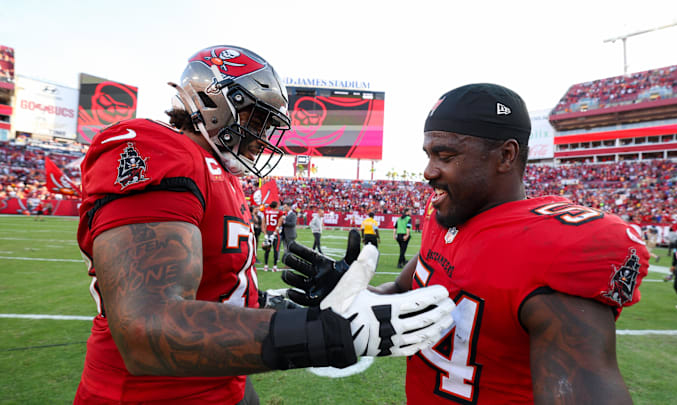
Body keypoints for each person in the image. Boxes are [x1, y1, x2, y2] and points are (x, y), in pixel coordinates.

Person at [73, 45, 455, 405]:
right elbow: (147, 328)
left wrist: (304, 303)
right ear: (213, 102)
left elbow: (219, 295)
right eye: (257, 118)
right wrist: (323, 332)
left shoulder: (221, 173)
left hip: (224, 384)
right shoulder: (156, 149)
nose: (263, 137)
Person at [281, 83, 650, 404]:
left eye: (446, 155)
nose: (428, 171)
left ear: (506, 156)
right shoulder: (447, 213)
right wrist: (354, 294)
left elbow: (584, 387)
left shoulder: (550, 248)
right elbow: (403, 290)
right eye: (428, 154)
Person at [261, 201, 282, 271]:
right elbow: (279, 223)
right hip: (275, 233)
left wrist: (265, 234)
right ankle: (274, 267)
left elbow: (263, 224)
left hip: (268, 232)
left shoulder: (266, 211)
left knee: (267, 250)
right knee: (276, 250)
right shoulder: (279, 212)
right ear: (276, 205)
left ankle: (266, 266)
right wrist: (274, 234)